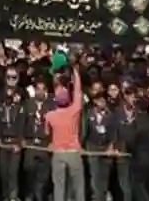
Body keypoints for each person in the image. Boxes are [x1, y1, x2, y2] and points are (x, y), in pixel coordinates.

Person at [43, 67, 83, 201]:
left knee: (58, 186)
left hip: (58, 153)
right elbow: (78, 92)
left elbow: (46, 132)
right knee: (78, 186)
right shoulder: (74, 110)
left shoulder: (49, 116)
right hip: (73, 152)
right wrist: (76, 73)